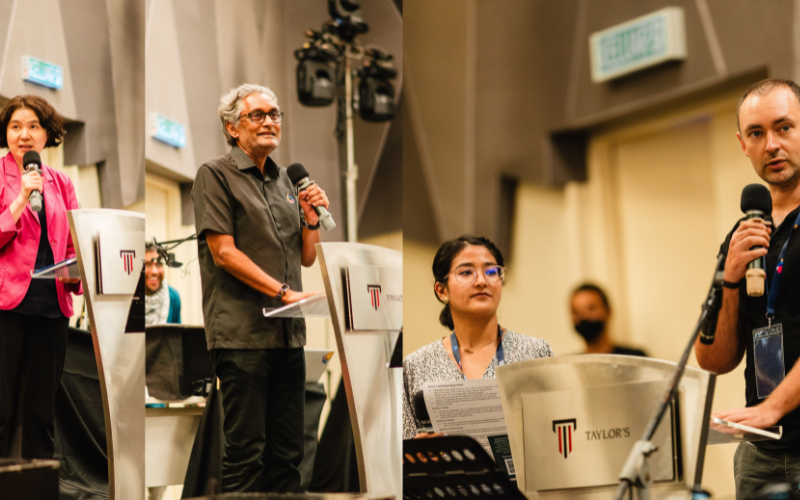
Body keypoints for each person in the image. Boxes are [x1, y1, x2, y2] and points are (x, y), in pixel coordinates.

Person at [191, 84, 327, 493]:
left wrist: (311, 220)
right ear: (233, 128)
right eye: (258, 115)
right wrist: (283, 293)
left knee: (289, 454)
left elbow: (306, 258)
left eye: (275, 114)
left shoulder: (288, 181)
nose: (270, 121)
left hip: (288, 336)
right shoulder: (214, 174)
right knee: (246, 453)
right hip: (241, 335)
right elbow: (223, 253)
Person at [694, 78, 800, 498]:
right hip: (761, 451)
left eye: (784, 127)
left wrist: (772, 407)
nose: (771, 144)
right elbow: (714, 359)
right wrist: (732, 278)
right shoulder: (743, 235)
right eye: (757, 133)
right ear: (743, 144)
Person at [402, 235, 554, 439]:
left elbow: (558, 434)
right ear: (441, 291)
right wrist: (416, 454)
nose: (482, 281)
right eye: (466, 272)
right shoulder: (415, 365)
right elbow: (400, 453)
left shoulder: (535, 353)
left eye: (491, 271)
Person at [0, 95, 82, 459]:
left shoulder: (62, 182)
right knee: (0, 411)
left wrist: (75, 274)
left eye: (33, 126)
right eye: (16, 126)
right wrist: (20, 200)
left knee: (41, 414)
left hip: (52, 307)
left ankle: (37, 488)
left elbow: (75, 243)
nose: (24, 135)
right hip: (6, 306)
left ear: (47, 134)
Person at [570, 283, 647, 357]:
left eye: (591, 308)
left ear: (608, 311)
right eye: (576, 311)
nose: (584, 316)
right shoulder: (569, 365)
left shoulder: (635, 359)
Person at [144, 243, 181, 325]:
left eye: (158, 264)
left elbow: (176, 336)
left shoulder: (173, 297)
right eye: (147, 264)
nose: (155, 271)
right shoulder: (128, 299)